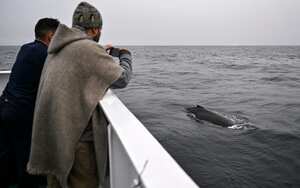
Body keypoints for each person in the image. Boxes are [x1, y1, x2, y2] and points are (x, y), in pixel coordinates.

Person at [27, 2, 133, 188]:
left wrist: (99, 51)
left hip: (55, 135)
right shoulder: (87, 48)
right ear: (93, 30)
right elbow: (122, 79)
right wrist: (125, 55)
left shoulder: (57, 47)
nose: (100, 33)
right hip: (77, 142)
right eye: (99, 29)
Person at [0, 18, 60, 187]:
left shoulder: (25, 48)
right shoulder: (45, 55)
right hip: (21, 113)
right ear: (51, 36)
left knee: (7, 156)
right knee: (26, 159)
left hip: (5, 105)